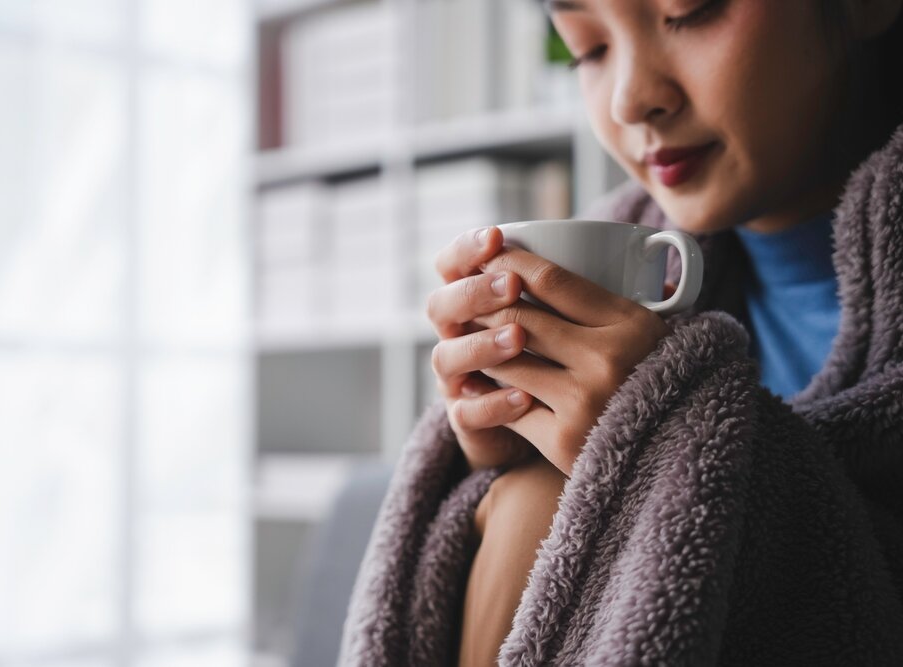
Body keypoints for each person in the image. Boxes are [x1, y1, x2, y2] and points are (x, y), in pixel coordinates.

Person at [338, 1, 903, 665]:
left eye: (688, 12)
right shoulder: (625, 266)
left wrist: (664, 443)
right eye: (587, 48)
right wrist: (497, 444)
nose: (633, 100)